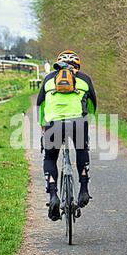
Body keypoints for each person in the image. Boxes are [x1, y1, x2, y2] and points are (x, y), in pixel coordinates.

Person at [37, 50, 97, 221]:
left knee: (49, 158)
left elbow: (40, 104)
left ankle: (53, 194)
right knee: (81, 149)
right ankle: (84, 188)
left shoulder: (49, 79)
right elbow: (93, 104)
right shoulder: (84, 78)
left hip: (53, 123)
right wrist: (87, 123)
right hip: (78, 122)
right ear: (77, 66)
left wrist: (43, 126)